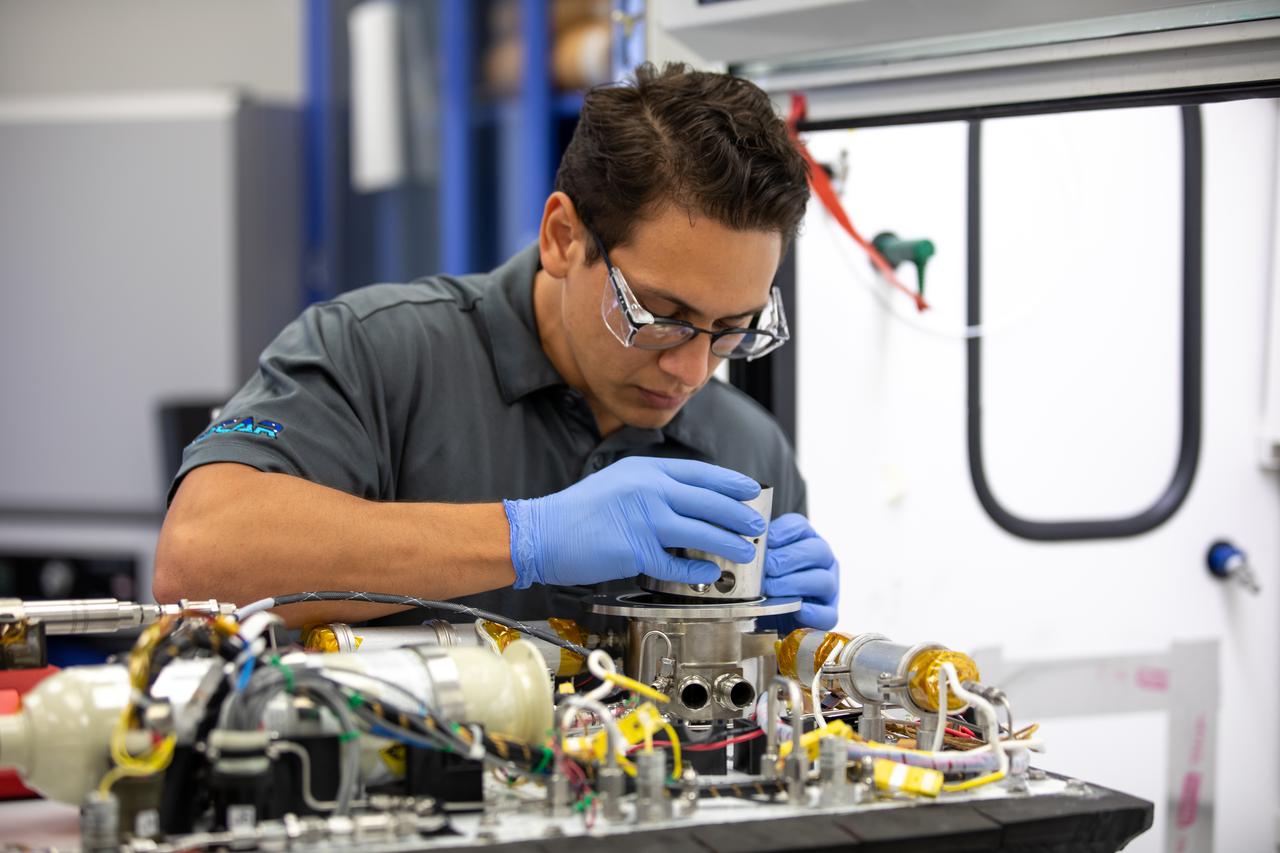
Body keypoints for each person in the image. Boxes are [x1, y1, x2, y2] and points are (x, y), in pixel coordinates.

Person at [153, 62, 839, 632]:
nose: (690, 370)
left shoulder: (747, 449)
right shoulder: (377, 353)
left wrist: (786, 636)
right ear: (563, 238)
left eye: (732, 327)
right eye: (660, 315)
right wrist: (525, 537)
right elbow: (197, 557)